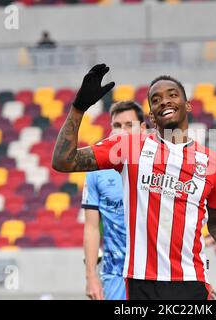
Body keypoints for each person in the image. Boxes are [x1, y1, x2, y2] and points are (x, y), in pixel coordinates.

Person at [52, 63, 216, 300]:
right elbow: (64, 161)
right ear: (151, 117)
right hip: (141, 284)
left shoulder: (213, 164)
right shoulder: (128, 147)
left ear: (187, 105)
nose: (164, 101)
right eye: (155, 100)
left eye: (172, 95)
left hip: (191, 283)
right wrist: (78, 108)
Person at [82, 101, 147, 300]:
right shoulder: (97, 171)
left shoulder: (160, 165)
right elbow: (91, 227)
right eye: (117, 126)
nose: (122, 131)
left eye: (129, 125)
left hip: (155, 272)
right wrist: (91, 276)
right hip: (115, 273)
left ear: (143, 129)